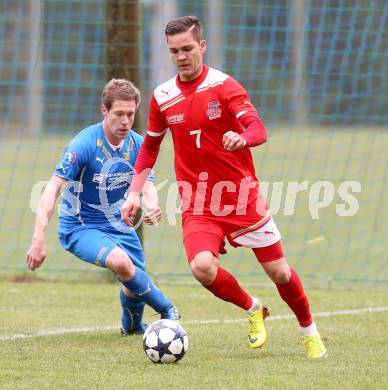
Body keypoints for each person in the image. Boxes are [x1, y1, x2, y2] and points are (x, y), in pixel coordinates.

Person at [121, 16, 327, 358]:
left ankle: (309, 331)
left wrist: (241, 137)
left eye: (188, 48)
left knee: (279, 272)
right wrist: (134, 191)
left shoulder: (224, 86)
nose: (182, 56)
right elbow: (150, 147)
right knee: (202, 267)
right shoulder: (162, 96)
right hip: (199, 201)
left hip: (241, 197)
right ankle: (252, 309)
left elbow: (258, 128)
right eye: (174, 51)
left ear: (202, 46)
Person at [26, 79, 180, 335]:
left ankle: (131, 328)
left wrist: (151, 205)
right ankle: (168, 310)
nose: (125, 121)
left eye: (130, 114)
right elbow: (51, 189)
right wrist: (38, 237)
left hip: (120, 224)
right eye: (118, 113)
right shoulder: (83, 144)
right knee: (122, 263)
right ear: (104, 110)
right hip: (81, 226)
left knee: (133, 281)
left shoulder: (138, 143)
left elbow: (145, 182)